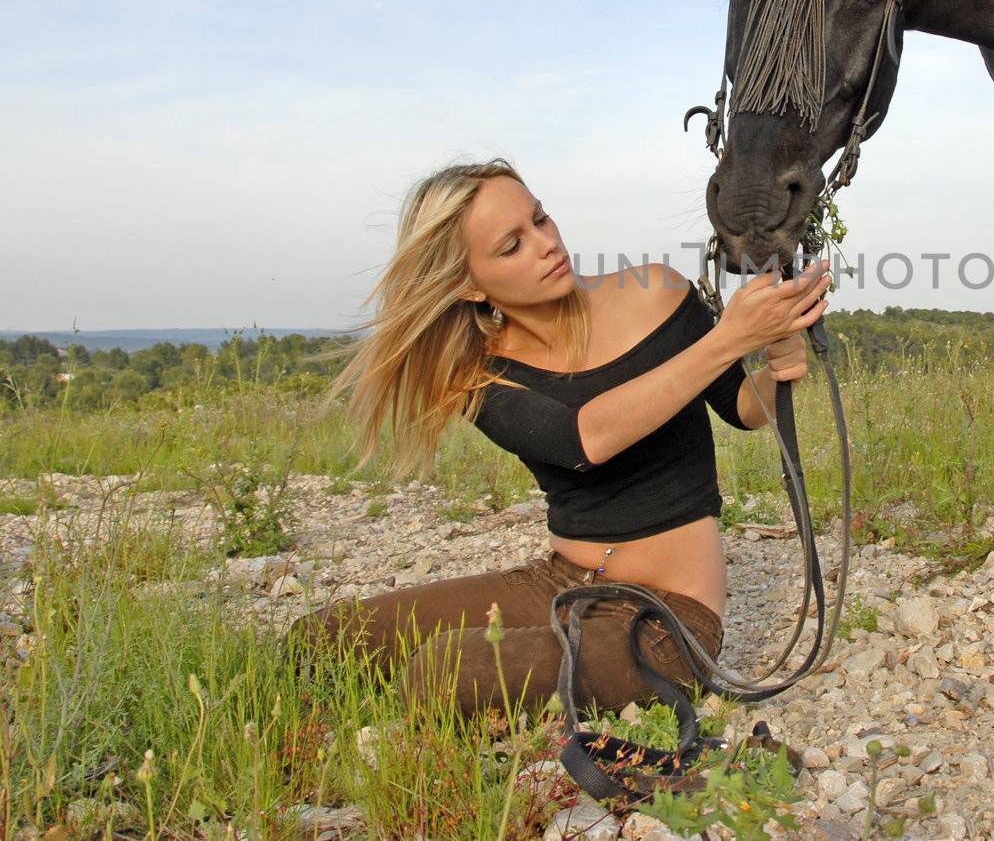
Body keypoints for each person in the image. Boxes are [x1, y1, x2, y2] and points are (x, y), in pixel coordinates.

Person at [290, 157, 831, 720]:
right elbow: (582, 440)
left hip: (666, 618)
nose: (547, 243)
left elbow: (740, 407)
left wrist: (777, 364)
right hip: (557, 582)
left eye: (541, 219)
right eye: (511, 246)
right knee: (323, 638)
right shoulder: (479, 374)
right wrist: (726, 339)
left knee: (442, 672)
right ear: (468, 286)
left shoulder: (654, 291)